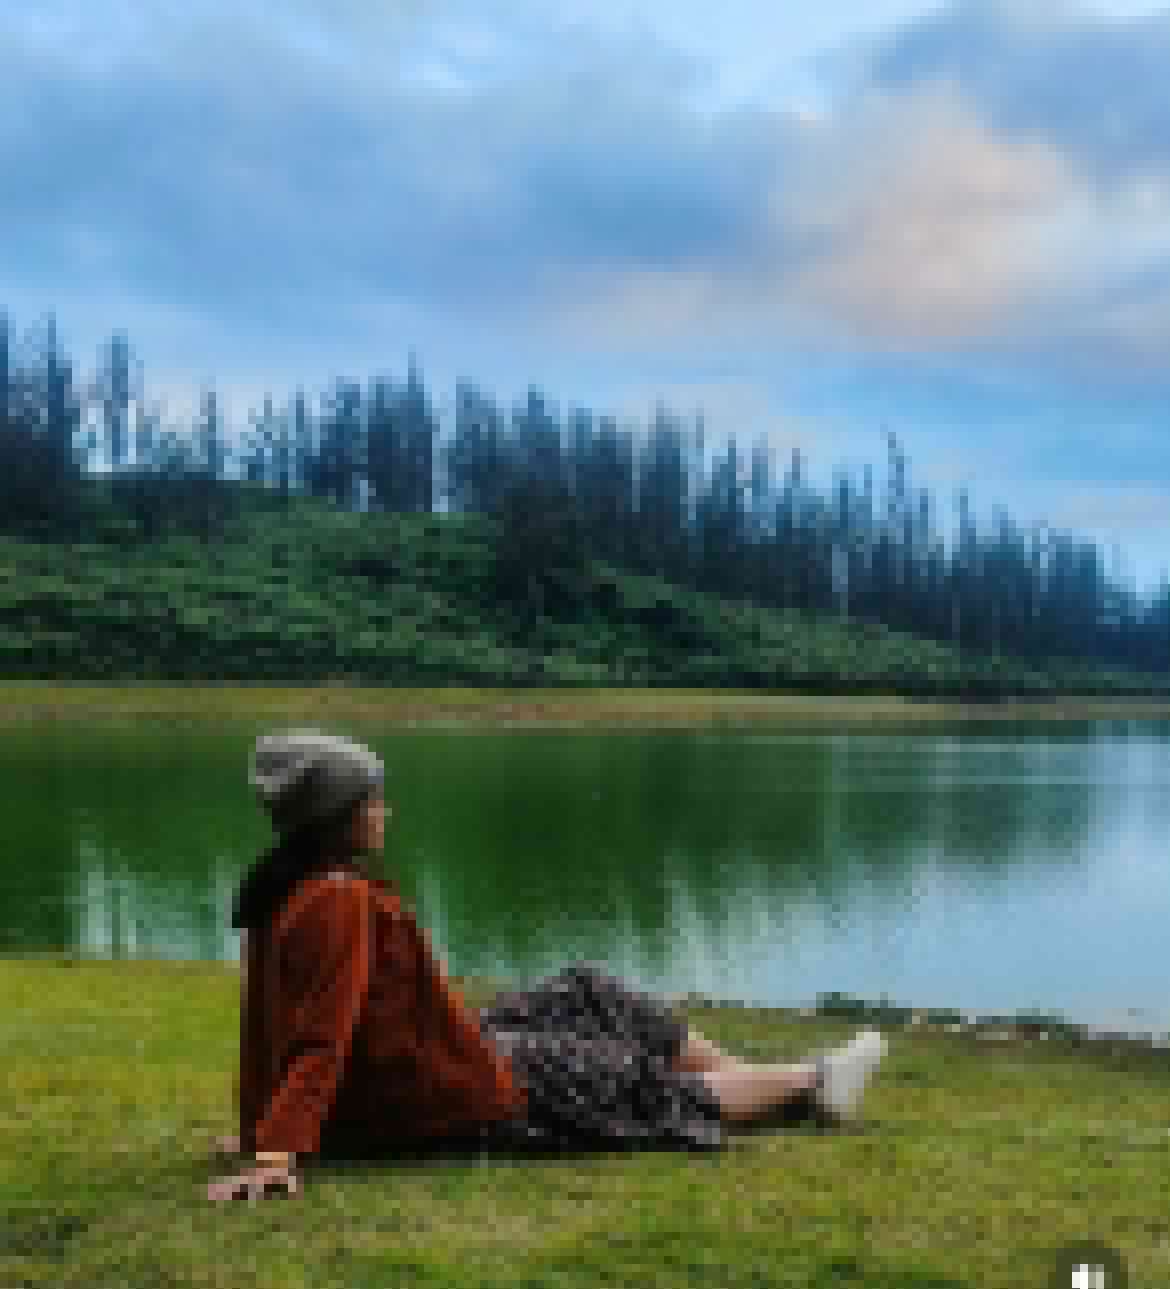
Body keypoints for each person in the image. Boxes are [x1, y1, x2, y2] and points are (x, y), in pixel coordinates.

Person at [207, 729, 887, 1203]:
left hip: (424, 1059)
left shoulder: (284, 885)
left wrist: (261, 1121)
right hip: (428, 1098)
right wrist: (276, 1149)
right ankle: (811, 1081)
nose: (386, 810)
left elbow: (268, 1025)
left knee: (586, 991)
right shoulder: (336, 899)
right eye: (374, 799)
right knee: (620, 1076)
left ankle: (758, 1081)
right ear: (341, 815)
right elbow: (317, 1035)